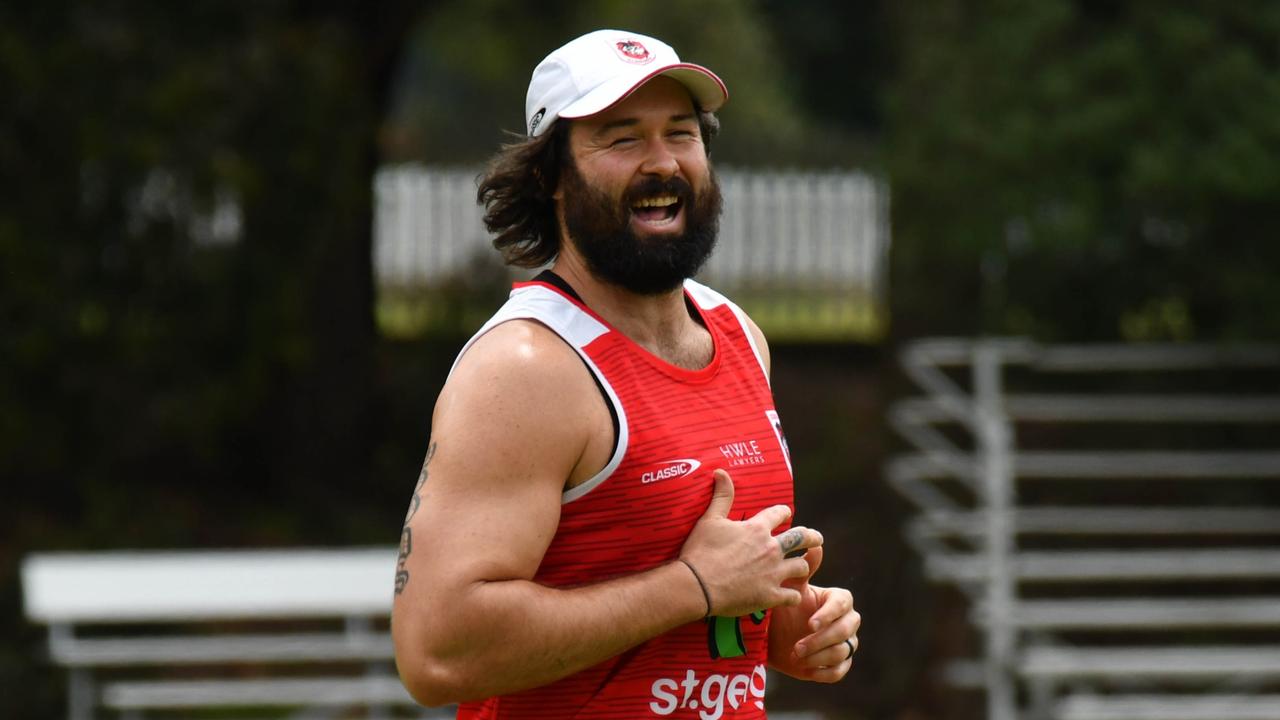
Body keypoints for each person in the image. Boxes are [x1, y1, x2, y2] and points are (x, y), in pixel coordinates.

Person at [391, 29, 860, 719]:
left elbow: (710, 603)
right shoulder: (527, 369)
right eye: (622, 138)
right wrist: (694, 587)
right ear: (550, 175)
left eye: (681, 132)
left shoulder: (738, 335)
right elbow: (436, 652)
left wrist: (783, 627)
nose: (663, 162)